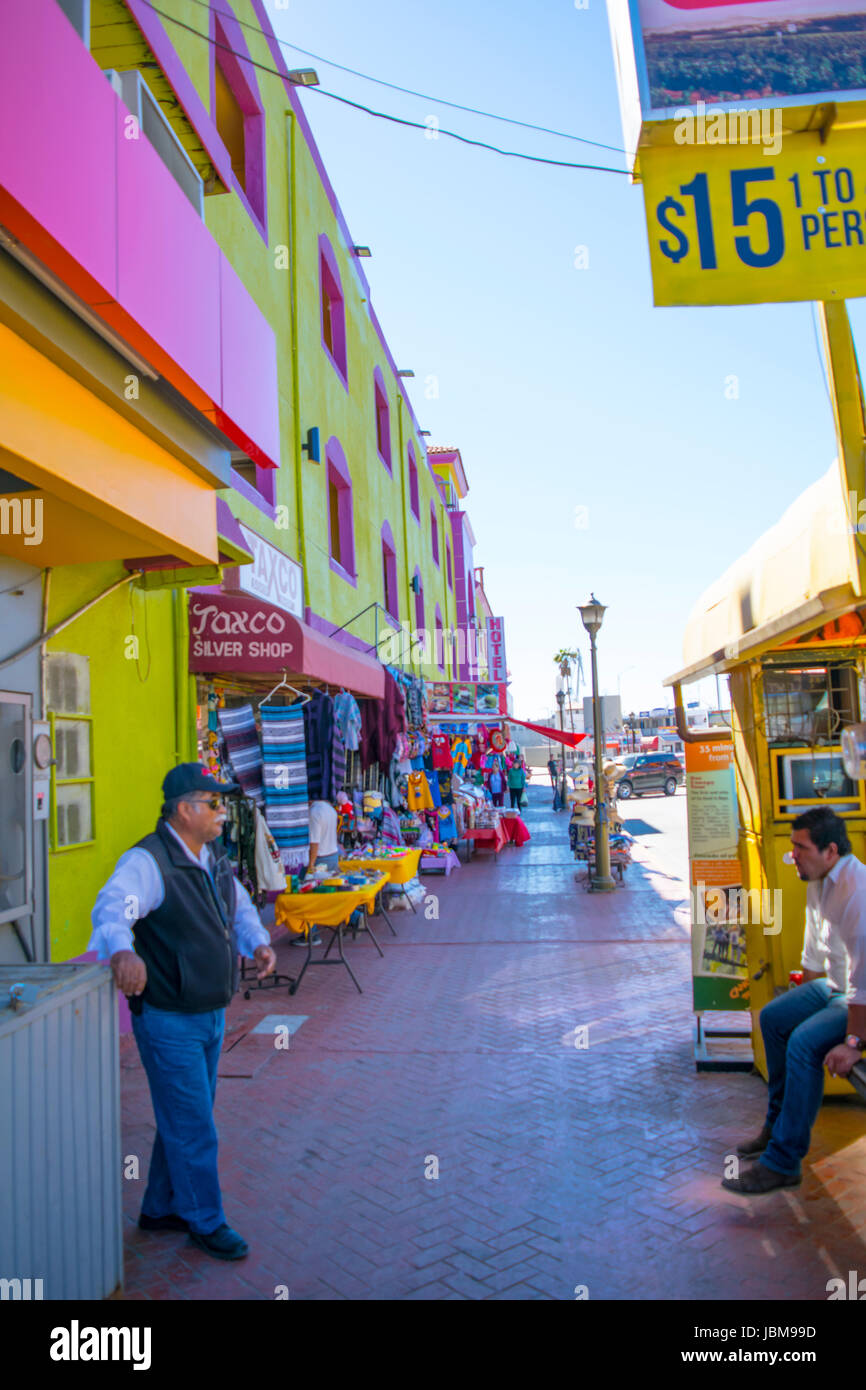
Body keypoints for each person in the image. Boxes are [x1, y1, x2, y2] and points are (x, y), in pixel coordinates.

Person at [90, 764, 276, 1259]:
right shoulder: (149, 862)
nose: (222, 812)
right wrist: (122, 952)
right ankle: (205, 1219)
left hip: (210, 1011)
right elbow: (112, 909)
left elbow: (237, 910)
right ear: (183, 809)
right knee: (194, 1124)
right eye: (214, 803)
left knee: (185, 1115)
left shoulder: (212, 854)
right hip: (169, 1016)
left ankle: (159, 1207)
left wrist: (257, 942)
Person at [723, 807, 866, 1194]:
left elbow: (864, 982)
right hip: (836, 989)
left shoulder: (857, 892)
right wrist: (807, 988)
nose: (793, 856)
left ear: (830, 851)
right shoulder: (818, 878)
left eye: (800, 848)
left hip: (859, 1000)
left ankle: (784, 1162)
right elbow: (816, 947)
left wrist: (853, 1043)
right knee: (774, 1017)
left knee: (803, 1043)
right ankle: (775, 1127)